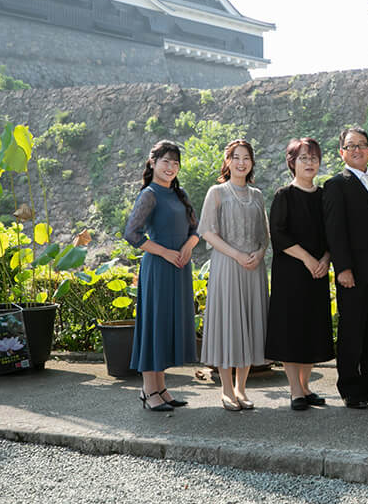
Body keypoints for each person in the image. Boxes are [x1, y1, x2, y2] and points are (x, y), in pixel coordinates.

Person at [323, 127, 368, 409]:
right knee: (352, 331)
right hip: (352, 273)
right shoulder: (336, 184)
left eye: (362, 145)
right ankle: (350, 388)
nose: (357, 150)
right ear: (342, 152)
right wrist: (342, 268)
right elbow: (335, 230)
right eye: (350, 146)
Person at [123, 140, 199, 412]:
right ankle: (148, 390)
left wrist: (187, 248)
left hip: (181, 267)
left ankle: (161, 387)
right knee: (154, 327)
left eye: (175, 163)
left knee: (167, 326)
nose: (171, 167)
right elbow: (131, 234)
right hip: (158, 268)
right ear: (153, 162)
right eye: (166, 161)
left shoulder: (180, 194)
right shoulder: (149, 194)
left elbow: (196, 229)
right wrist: (166, 253)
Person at [198, 139, 270, 411]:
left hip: (254, 268)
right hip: (228, 266)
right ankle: (226, 390)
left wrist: (260, 253)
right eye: (236, 157)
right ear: (227, 161)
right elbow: (207, 232)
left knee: (249, 326)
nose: (241, 162)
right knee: (229, 326)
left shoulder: (258, 195)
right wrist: (237, 255)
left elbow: (265, 235)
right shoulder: (217, 192)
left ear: (252, 163)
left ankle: (242, 388)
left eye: (246, 158)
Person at [266, 137, 335, 411]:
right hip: (291, 273)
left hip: (317, 272)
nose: (310, 163)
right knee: (291, 330)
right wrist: (308, 259)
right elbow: (278, 234)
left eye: (314, 158)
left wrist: (326, 260)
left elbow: (333, 233)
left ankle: (306, 387)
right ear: (292, 163)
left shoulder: (324, 195)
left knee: (312, 329)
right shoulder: (284, 195)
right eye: (303, 158)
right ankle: (295, 390)